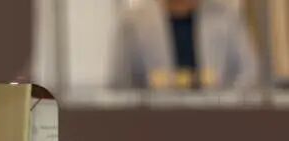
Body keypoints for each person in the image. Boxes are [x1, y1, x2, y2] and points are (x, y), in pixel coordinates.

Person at [109, 0, 259, 90]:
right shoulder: (133, 23)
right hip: (153, 125)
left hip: (218, 122)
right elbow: (121, 83)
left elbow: (249, 76)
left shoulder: (226, 17)